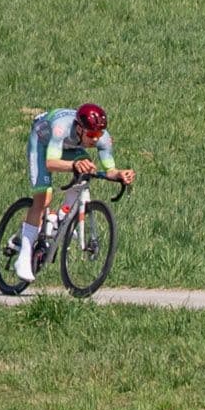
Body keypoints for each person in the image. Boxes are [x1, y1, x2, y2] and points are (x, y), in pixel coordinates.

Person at [14, 102, 132, 284]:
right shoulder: (61, 128)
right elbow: (50, 163)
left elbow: (110, 169)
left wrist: (119, 174)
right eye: (91, 134)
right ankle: (24, 254)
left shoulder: (102, 137)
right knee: (43, 198)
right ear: (79, 129)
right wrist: (73, 165)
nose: (95, 139)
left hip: (69, 146)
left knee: (88, 167)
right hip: (43, 141)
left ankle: (63, 214)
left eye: (98, 134)